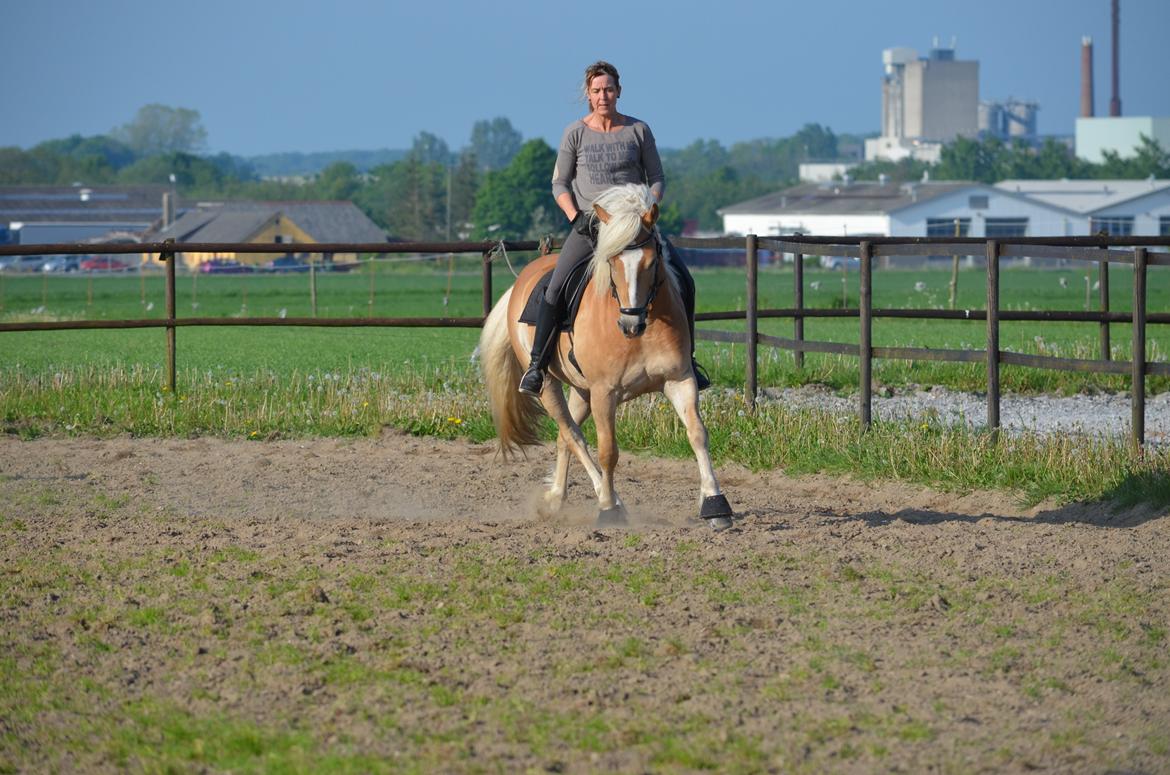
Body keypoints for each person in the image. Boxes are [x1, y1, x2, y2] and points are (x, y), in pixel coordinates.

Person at [517, 60, 710, 396]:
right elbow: (559, 184)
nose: (603, 95)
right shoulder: (575, 133)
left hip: (634, 226)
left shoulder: (639, 130)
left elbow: (658, 178)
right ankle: (536, 365)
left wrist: (648, 206)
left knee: (684, 279)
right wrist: (575, 217)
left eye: (608, 89)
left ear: (618, 92)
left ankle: (687, 360)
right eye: (596, 91)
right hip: (591, 225)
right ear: (588, 95)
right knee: (556, 285)